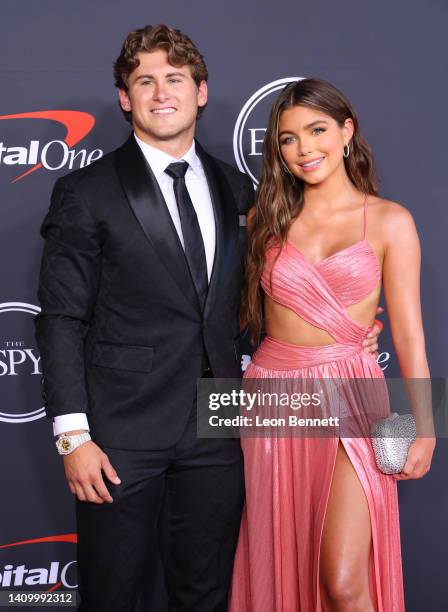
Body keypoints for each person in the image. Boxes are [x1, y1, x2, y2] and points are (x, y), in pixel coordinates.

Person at [34, 24, 255, 612]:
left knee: (206, 593)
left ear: (201, 91)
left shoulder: (239, 190)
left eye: (175, 79)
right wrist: (73, 436)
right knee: (113, 594)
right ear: (126, 99)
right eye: (146, 81)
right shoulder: (86, 191)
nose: (163, 93)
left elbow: (245, 308)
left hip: (219, 425)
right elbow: (60, 317)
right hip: (119, 434)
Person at [230, 78, 436, 611]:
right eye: (288, 139)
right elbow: (231, 320)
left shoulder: (390, 220)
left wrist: (427, 428)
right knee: (283, 562)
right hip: (273, 397)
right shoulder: (265, 221)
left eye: (317, 130)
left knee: (343, 580)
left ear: (347, 131)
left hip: (349, 393)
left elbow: (410, 332)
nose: (304, 150)